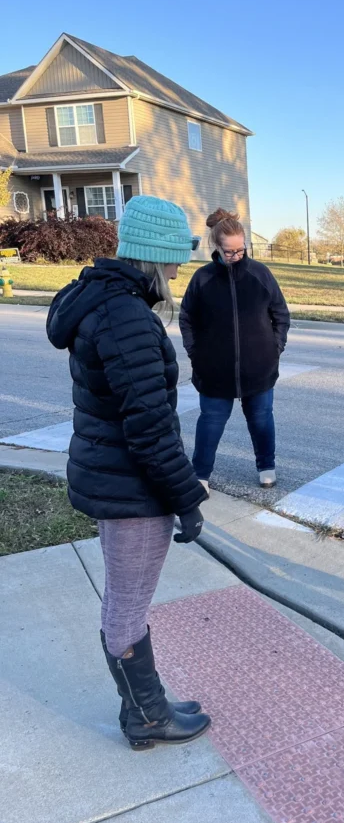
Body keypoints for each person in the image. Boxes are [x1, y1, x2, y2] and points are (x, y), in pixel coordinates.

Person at [46, 195, 211, 749]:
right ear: (155, 257)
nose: (180, 268)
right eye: (176, 259)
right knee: (127, 604)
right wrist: (186, 498)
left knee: (125, 598)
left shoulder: (104, 301)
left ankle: (149, 703)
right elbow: (149, 427)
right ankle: (146, 715)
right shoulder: (126, 318)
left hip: (116, 475)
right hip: (132, 488)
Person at [180, 208, 290, 490]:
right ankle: (201, 475)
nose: (235, 256)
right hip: (214, 370)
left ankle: (266, 465)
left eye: (241, 250)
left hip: (259, 367)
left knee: (261, 419)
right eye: (229, 251)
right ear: (216, 247)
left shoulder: (260, 274)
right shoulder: (202, 279)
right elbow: (187, 318)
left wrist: (274, 348)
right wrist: (196, 354)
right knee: (211, 422)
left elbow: (280, 313)